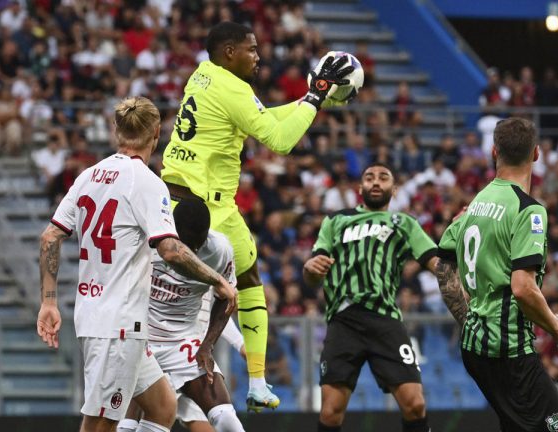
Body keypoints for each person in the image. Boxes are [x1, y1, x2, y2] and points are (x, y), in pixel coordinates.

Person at [160, 21, 353, 411]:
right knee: (228, 287)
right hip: (204, 207)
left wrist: (309, 103)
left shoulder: (204, 74)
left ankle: (245, 379)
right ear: (229, 52)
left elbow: (258, 117)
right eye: (251, 48)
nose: (258, 55)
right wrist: (314, 98)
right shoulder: (234, 88)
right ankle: (244, 377)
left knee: (243, 279)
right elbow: (280, 141)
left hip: (180, 197)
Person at [36, 96, 237, 432]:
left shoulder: (89, 176)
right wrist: (217, 279)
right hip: (118, 323)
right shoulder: (146, 182)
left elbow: (49, 238)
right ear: (157, 134)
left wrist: (48, 301)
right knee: (100, 424)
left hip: (103, 316)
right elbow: (171, 250)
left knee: (162, 406)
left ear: (117, 132)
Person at [435, 118, 558, 432]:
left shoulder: (475, 204)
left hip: (475, 347)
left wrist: (468, 317)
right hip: (509, 351)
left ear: (494, 151)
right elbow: (524, 289)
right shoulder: (528, 210)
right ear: (536, 154)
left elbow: (443, 265)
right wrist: (557, 330)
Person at [303, 163, 437, 432]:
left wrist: (454, 240)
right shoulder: (336, 220)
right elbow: (314, 272)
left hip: (385, 319)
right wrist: (309, 269)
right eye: (369, 177)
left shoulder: (404, 223)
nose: (376, 182)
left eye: (383, 177)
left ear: (394, 189)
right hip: (344, 321)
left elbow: (436, 262)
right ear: (360, 188)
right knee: (330, 412)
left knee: (415, 404)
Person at [117, 199, 245, 432]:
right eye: (189, 244)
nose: (195, 251)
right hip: (142, 337)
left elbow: (226, 297)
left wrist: (207, 345)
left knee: (226, 420)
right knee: (128, 425)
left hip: (184, 341)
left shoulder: (220, 250)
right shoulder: (146, 242)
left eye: (200, 243)